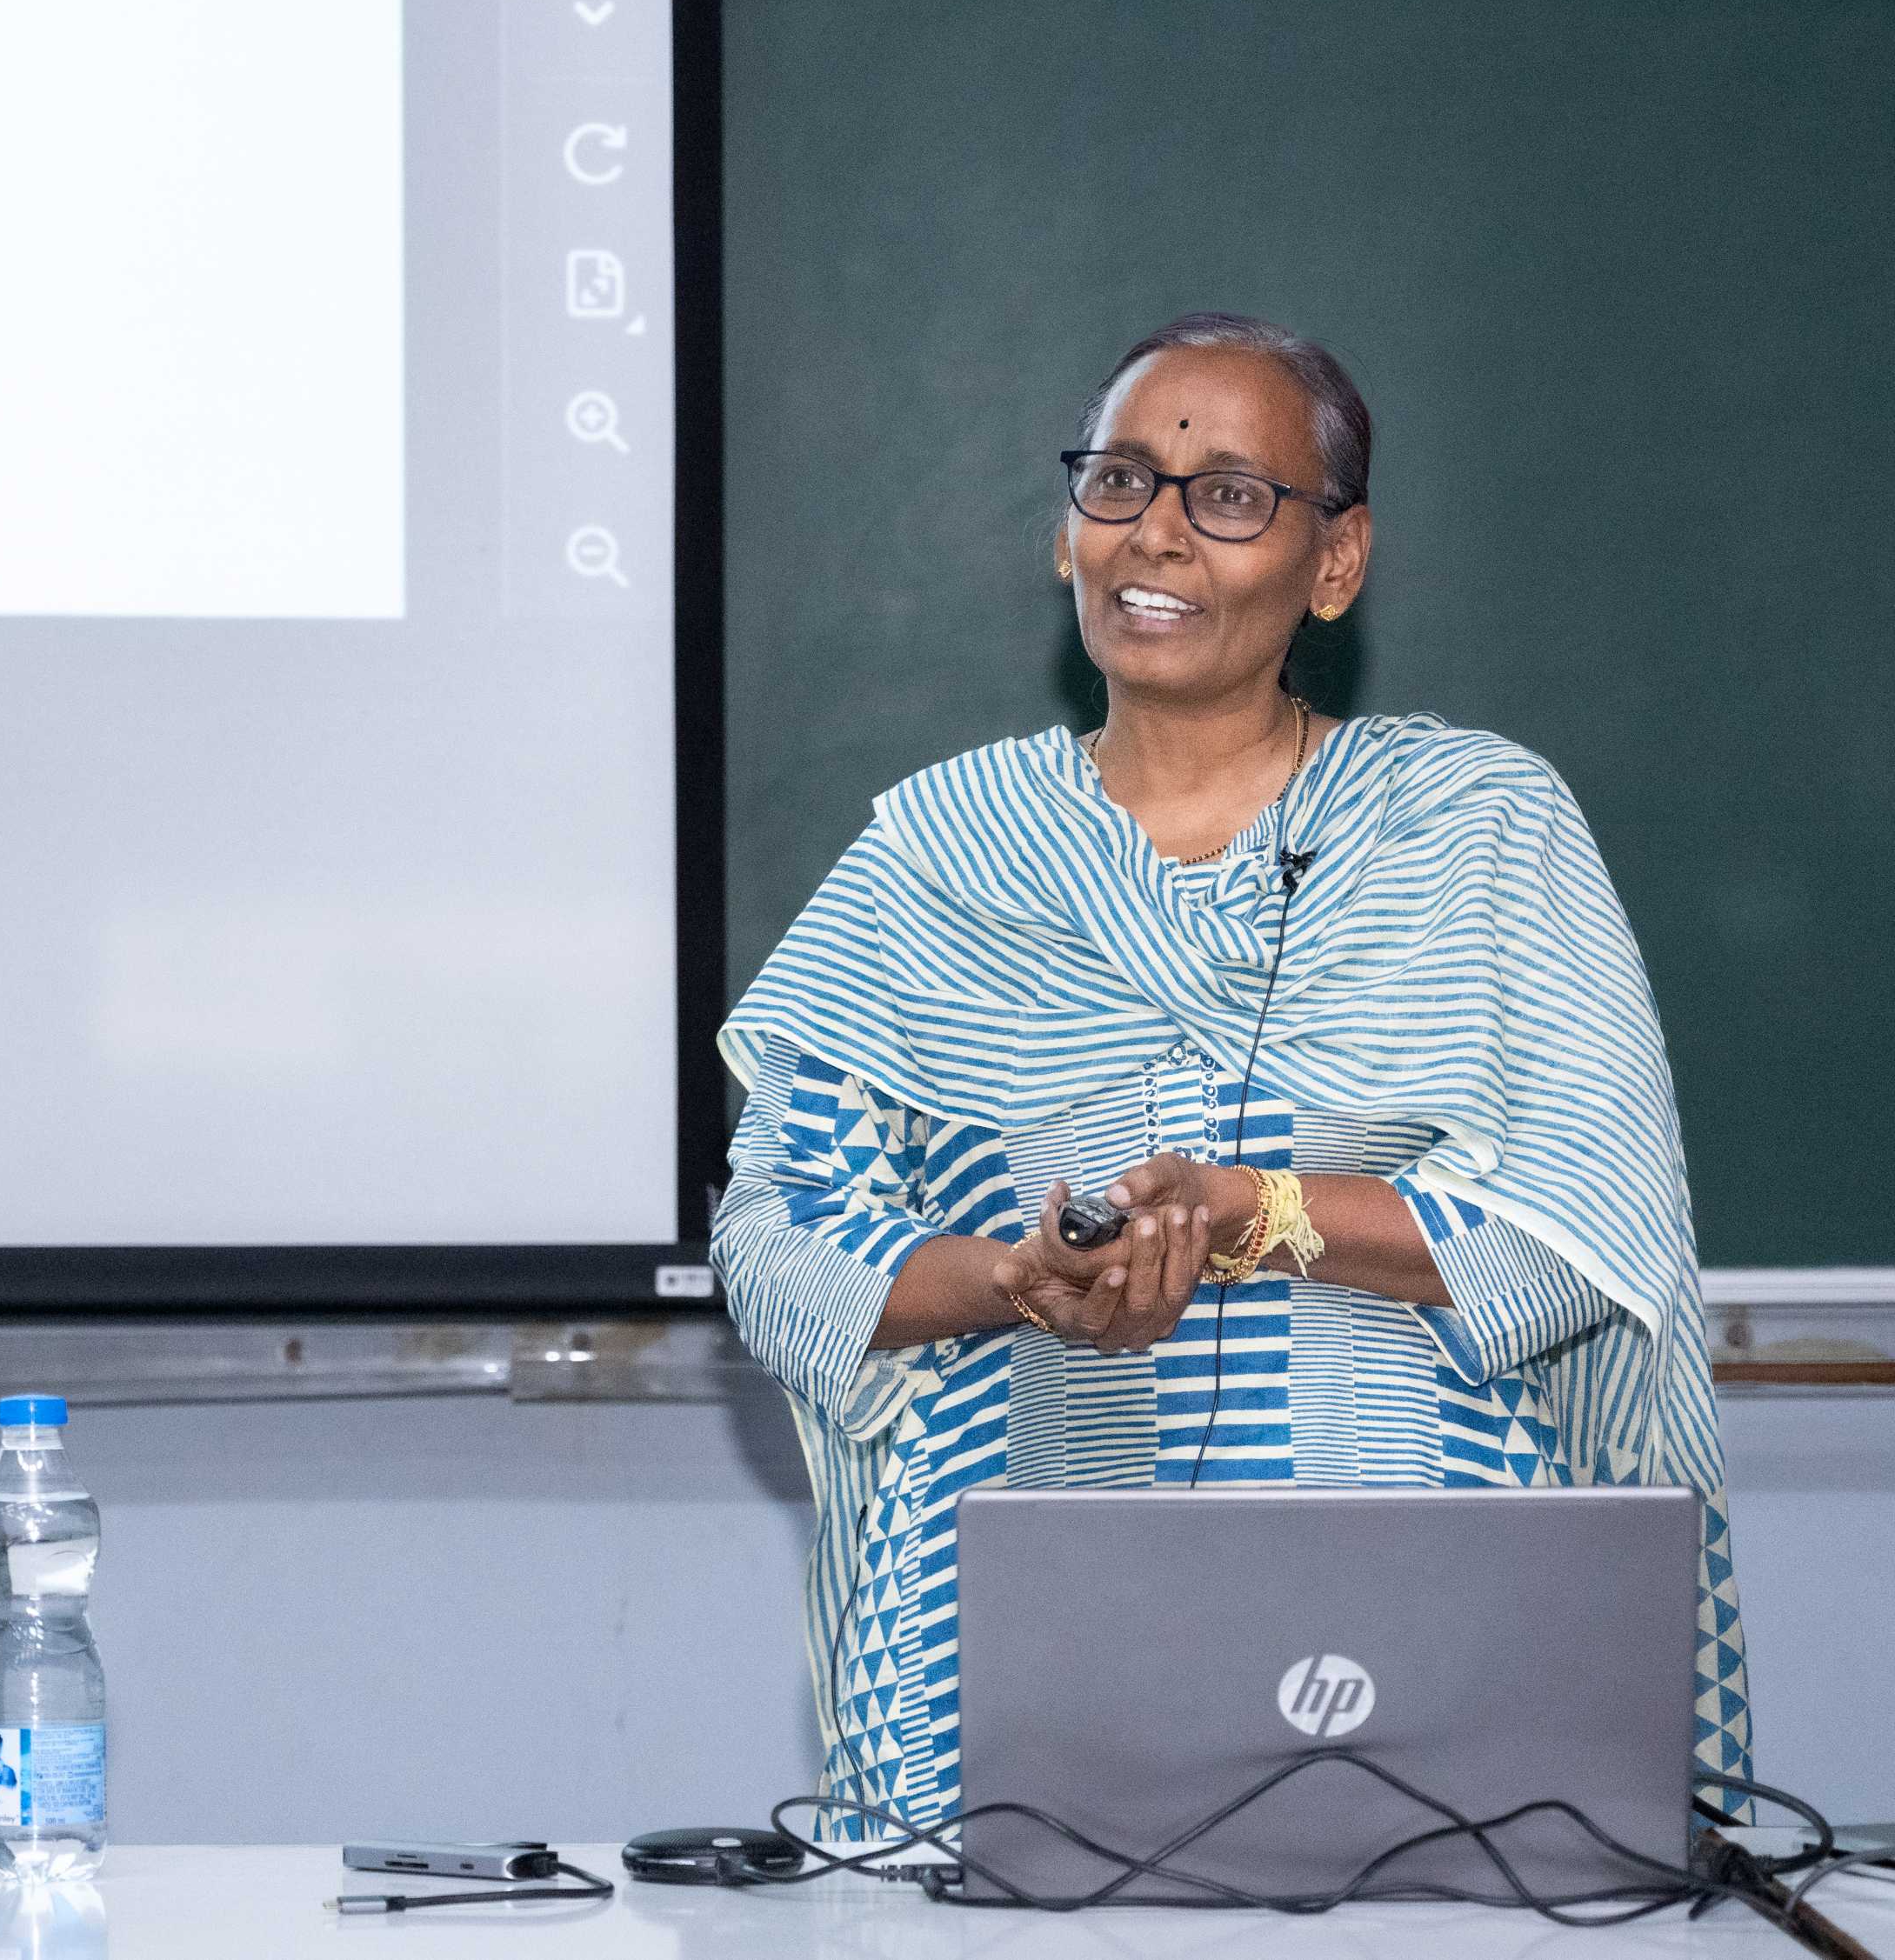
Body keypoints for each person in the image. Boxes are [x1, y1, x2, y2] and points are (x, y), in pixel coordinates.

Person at [713, 311, 1747, 1828]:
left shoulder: (1475, 825)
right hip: (1003, 1647)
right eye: (1121, 479)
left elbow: (1592, 1224)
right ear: (1067, 531)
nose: (1160, 531)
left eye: (1233, 495)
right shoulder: (934, 855)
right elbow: (778, 1238)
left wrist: (1262, 1214)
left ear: (1336, 561)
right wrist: (1021, 1281)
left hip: (1433, 1625)